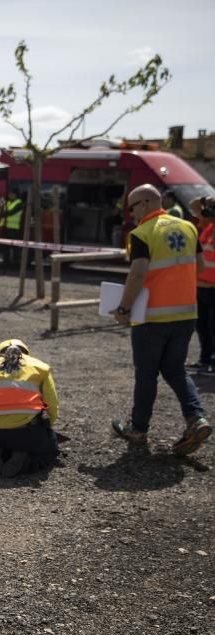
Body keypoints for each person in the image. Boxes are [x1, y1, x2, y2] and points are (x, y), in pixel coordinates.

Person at [111, 184, 211, 457]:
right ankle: (197, 419)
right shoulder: (189, 228)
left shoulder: (141, 233)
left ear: (144, 204)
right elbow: (199, 267)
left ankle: (138, 429)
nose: (131, 214)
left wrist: (123, 307)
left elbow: (138, 272)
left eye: (132, 207)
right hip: (186, 314)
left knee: (147, 374)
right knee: (176, 370)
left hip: (152, 317)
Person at [0, 339, 59, 476]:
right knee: (49, 445)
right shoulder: (40, 367)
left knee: (1, 437)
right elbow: (52, 402)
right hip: (26, 433)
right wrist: (49, 425)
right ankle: (22, 456)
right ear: (26, 353)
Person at [191, 197, 215, 375]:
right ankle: (205, 359)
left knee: (213, 326)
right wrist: (204, 200)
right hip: (201, 287)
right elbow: (194, 205)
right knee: (202, 326)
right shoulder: (208, 227)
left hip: (213, 288)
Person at [0, 188, 25, 267]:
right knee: (5, 247)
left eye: (11, 194)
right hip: (6, 227)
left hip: (14, 228)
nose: (9, 195)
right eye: (9, 194)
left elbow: (11, 212)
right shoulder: (8, 202)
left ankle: (16, 264)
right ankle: (6, 262)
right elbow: (2, 210)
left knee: (15, 247)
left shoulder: (19, 203)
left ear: (15, 194)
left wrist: (2, 213)